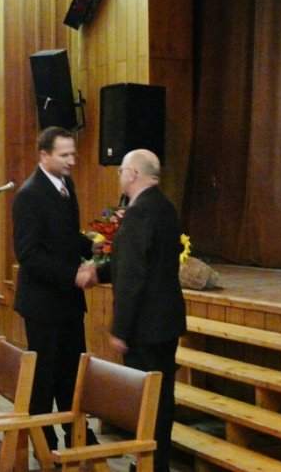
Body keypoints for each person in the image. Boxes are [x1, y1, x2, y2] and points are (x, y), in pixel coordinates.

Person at [12, 126, 99, 451]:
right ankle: (42, 440)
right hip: (43, 304)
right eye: (64, 155)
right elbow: (28, 254)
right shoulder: (29, 195)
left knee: (73, 373)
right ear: (44, 155)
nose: (72, 161)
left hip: (68, 303)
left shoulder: (66, 186)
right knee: (44, 375)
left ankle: (77, 433)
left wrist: (93, 246)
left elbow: (65, 236)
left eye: (73, 154)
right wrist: (71, 275)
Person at [105, 149, 187, 472]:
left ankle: (149, 465)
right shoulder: (166, 208)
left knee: (147, 403)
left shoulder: (139, 213)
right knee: (162, 400)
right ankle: (156, 463)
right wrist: (99, 272)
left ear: (133, 174)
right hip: (166, 322)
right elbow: (150, 263)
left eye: (121, 170)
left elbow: (133, 276)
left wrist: (120, 329)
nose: (119, 176)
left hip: (144, 327)